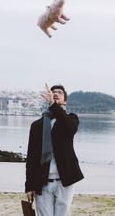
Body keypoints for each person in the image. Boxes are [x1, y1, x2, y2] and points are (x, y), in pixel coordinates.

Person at [25, 83, 84, 216]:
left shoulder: (71, 119)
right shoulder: (37, 125)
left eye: (60, 93)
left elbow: (70, 129)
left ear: (65, 100)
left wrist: (54, 105)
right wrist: (29, 186)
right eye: (53, 92)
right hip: (42, 182)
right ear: (48, 97)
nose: (56, 94)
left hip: (65, 181)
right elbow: (31, 157)